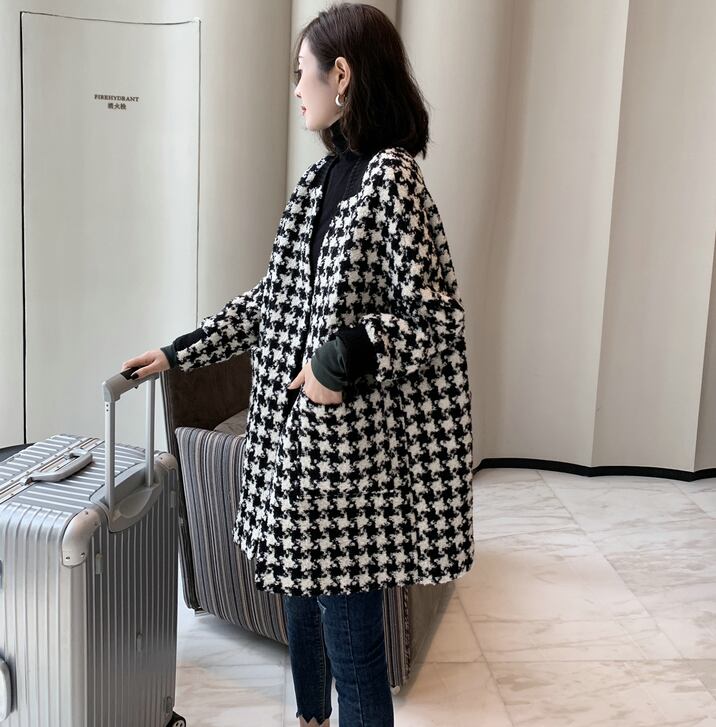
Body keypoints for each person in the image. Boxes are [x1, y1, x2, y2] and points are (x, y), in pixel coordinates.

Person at [121, 4, 475, 726]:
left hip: (349, 468)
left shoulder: (391, 179)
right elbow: (271, 300)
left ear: (341, 76)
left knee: (355, 652)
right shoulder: (321, 181)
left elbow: (436, 318)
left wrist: (340, 358)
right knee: (300, 609)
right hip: (294, 452)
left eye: (300, 73)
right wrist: (179, 352)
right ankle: (310, 717)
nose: (294, 89)